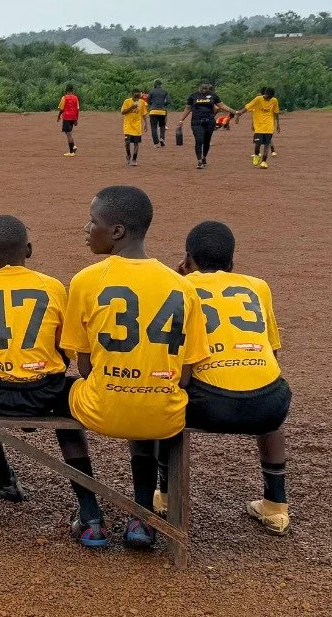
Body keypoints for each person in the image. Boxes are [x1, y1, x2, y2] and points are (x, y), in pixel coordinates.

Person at [62, 186, 209, 549]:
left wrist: (118, 378)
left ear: (117, 232)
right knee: (149, 395)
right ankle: (141, 518)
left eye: (93, 221)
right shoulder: (182, 286)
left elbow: (84, 368)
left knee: (58, 397)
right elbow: (187, 373)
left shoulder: (85, 280)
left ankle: (90, 515)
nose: (86, 228)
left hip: (102, 409)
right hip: (163, 414)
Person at [0, 215, 106, 544]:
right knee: (70, 406)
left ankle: (5, 479)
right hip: (44, 391)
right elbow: (64, 349)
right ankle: (90, 513)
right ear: (28, 249)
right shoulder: (53, 286)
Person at [157, 221, 291, 535]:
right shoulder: (258, 285)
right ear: (232, 263)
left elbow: (174, 358)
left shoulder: (177, 287)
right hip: (269, 403)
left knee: (164, 396)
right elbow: (274, 354)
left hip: (211, 404)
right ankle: (276, 506)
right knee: (269, 401)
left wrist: (180, 278)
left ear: (187, 259)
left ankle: (165, 495)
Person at [176, 82, 239, 169]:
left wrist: (235, 112)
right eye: (202, 89)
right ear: (199, 88)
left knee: (206, 141)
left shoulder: (213, 95)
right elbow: (188, 108)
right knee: (199, 140)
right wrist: (181, 119)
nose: (204, 91)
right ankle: (199, 161)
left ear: (208, 89)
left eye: (206, 89)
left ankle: (204, 157)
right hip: (196, 121)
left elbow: (222, 105)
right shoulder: (193, 96)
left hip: (209, 121)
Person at [235, 87, 281, 169]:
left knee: (267, 145)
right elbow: (248, 107)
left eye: (270, 97)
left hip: (269, 127)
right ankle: (256, 155)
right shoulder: (258, 99)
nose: (268, 98)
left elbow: (276, 112)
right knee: (257, 144)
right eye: (267, 96)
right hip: (259, 127)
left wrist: (278, 125)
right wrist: (239, 114)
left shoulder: (274, 101)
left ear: (272, 96)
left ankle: (264, 162)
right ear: (265, 94)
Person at [121, 88, 146, 166]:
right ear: (132, 95)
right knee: (127, 142)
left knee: (136, 143)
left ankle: (134, 159)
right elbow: (123, 112)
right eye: (135, 97)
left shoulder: (142, 103)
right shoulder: (127, 101)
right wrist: (132, 107)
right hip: (128, 126)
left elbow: (144, 114)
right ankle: (128, 155)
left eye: (138, 97)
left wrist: (146, 123)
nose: (137, 99)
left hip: (137, 127)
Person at [57, 85, 81, 157]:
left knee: (68, 134)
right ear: (72, 90)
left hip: (67, 117)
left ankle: (71, 151)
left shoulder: (64, 98)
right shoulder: (76, 98)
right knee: (69, 133)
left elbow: (61, 109)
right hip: (73, 117)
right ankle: (73, 147)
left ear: (66, 90)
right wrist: (76, 119)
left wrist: (59, 116)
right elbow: (77, 109)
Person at [147, 81, 171, 147]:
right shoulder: (165, 91)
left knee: (153, 127)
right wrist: (163, 104)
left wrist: (152, 105)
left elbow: (148, 101)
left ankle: (156, 143)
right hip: (162, 111)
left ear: (154, 85)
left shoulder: (151, 91)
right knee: (162, 126)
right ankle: (162, 138)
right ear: (160, 85)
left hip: (153, 111)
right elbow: (168, 101)